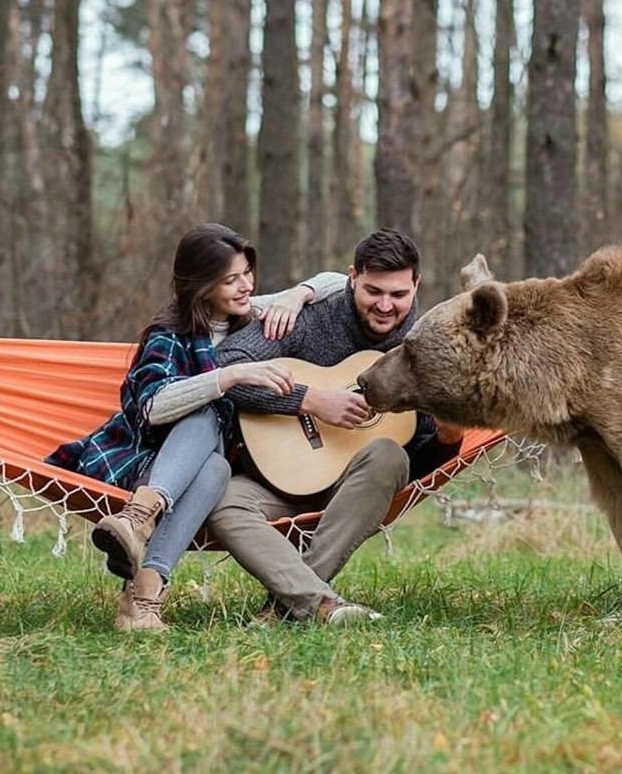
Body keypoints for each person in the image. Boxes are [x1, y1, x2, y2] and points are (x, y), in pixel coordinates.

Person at [46, 223, 346, 632]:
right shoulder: (169, 335)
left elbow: (340, 282)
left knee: (218, 469)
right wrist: (231, 376)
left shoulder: (250, 312)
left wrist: (297, 296)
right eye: (230, 280)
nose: (245, 285)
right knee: (206, 414)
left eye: (247, 273)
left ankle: (139, 573)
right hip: (146, 459)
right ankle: (141, 549)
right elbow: (152, 407)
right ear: (201, 287)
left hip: (203, 468)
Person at [207, 228, 464, 625]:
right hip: (273, 480)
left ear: (417, 286)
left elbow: (421, 461)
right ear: (352, 278)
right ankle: (316, 603)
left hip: (353, 495)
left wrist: (451, 437)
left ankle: (290, 603)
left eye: (398, 295)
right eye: (372, 291)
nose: (384, 305)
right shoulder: (311, 318)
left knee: (389, 455)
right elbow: (225, 367)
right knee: (221, 500)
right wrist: (309, 400)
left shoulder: (428, 351)